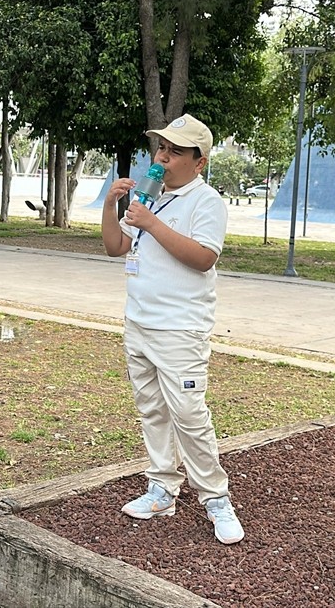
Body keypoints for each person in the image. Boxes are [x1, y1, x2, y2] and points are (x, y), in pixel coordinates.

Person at [100, 113, 245, 545]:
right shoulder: (150, 197)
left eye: (175, 152)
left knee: (188, 413)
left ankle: (216, 499)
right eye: (160, 149)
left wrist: (151, 223)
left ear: (199, 162)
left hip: (180, 330)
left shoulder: (206, 202)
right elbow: (115, 247)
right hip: (139, 323)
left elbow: (204, 257)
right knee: (151, 409)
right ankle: (162, 487)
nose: (162, 158)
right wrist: (113, 205)